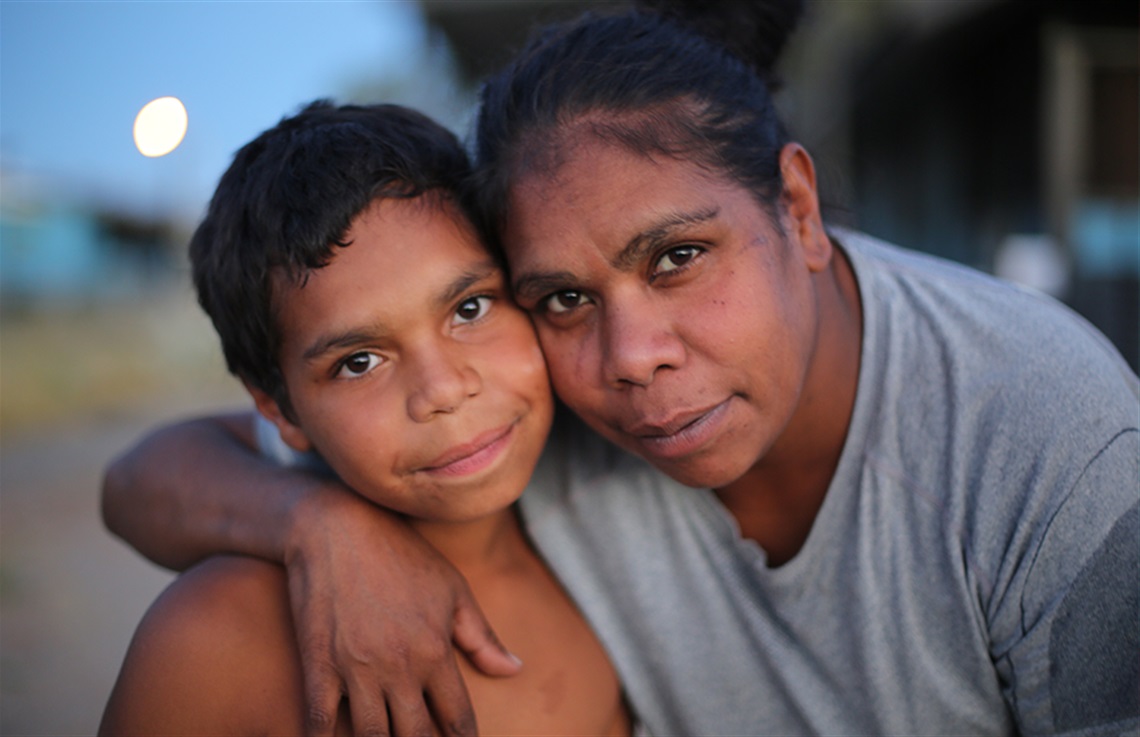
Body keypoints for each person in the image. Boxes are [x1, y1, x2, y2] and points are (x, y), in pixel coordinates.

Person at [102, 3, 1140, 736]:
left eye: (679, 257)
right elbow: (145, 476)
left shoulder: (1046, 435)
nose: (632, 357)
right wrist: (316, 526)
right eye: (559, 296)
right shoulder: (525, 418)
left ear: (801, 210)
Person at [98, 100, 633, 736]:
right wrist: (317, 523)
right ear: (278, 408)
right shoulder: (218, 636)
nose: (441, 390)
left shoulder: (610, 539)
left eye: (469, 309)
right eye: (359, 362)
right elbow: (132, 480)